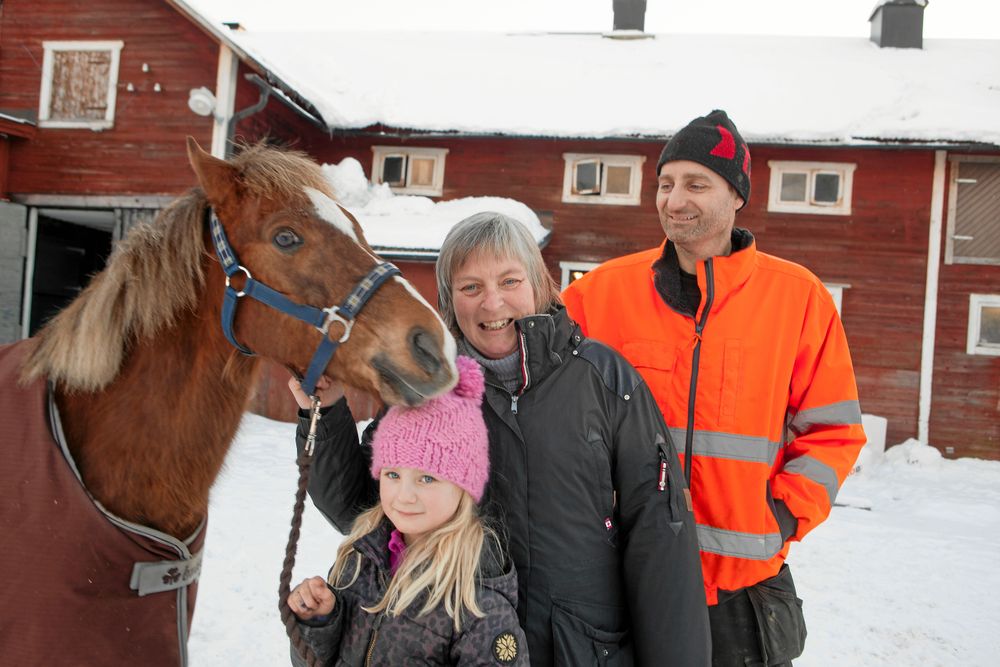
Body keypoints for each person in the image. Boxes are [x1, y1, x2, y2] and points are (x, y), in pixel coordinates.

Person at [289, 211, 710, 666]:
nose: (493, 304)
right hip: (460, 647)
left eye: (509, 281)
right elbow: (359, 505)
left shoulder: (604, 380)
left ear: (539, 285)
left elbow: (660, 537)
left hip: (582, 651)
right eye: (471, 287)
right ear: (450, 303)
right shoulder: (428, 388)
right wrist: (325, 412)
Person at [561, 109, 867, 666]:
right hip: (622, 581)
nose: (675, 199)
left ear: (736, 196)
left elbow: (834, 431)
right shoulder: (599, 294)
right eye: (666, 183)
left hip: (742, 595)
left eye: (697, 183)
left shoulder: (798, 299)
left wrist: (781, 518)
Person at [288, 356, 528, 666]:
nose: (404, 496)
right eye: (392, 475)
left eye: (427, 478)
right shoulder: (360, 559)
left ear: (463, 487)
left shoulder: (478, 604)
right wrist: (320, 623)